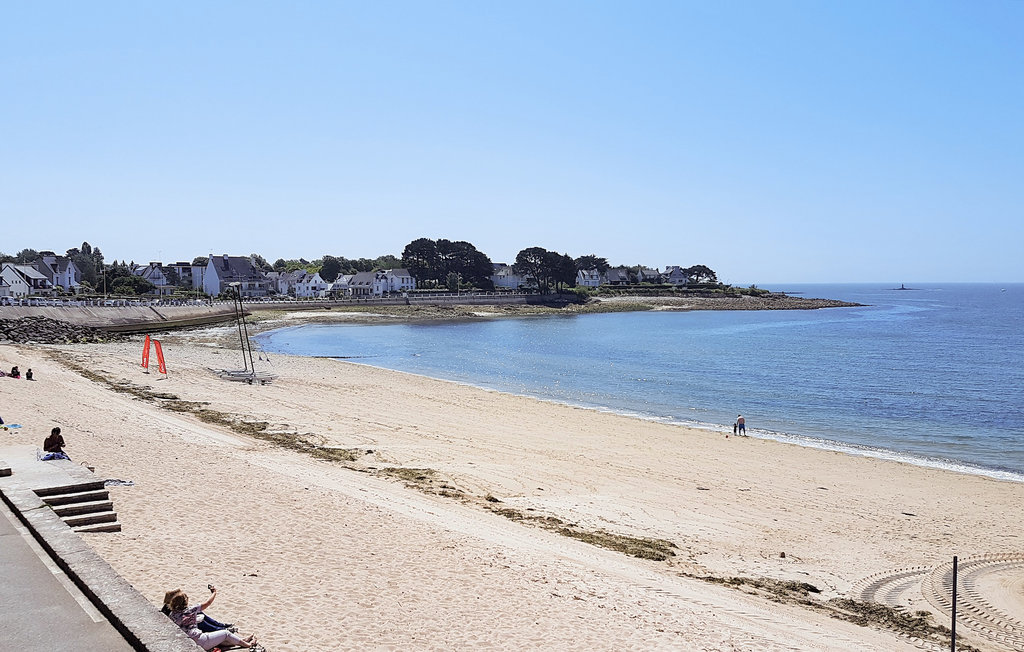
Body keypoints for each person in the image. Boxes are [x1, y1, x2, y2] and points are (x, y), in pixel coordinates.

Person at [168, 587, 257, 650]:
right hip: (199, 640)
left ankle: (242, 640)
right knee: (226, 633)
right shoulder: (191, 609)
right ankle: (248, 645)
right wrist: (214, 592)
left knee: (220, 638)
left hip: (186, 641)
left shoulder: (172, 614)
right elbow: (208, 602)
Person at [162, 589, 235, 633]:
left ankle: (221, 625)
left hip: (182, 623)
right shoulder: (171, 610)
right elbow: (207, 603)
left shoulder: (170, 607)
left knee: (198, 612)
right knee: (199, 620)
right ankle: (221, 629)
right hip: (186, 628)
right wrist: (214, 593)